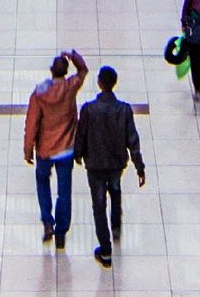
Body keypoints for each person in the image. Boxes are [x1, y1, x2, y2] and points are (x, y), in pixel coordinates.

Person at [77, 64, 145, 265]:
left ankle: (105, 250)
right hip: (116, 163)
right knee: (115, 190)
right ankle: (116, 225)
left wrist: (78, 154)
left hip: (95, 164)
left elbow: (81, 134)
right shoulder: (124, 110)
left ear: (99, 83)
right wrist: (139, 166)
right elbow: (133, 140)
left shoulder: (88, 109)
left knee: (98, 205)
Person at [22, 47, 89, 250]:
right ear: (65, 71)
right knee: (64, 192)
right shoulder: (70, 87)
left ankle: (47, 221)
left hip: (44, 150)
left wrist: (28, 149)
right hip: (66, 149)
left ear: (51, 70)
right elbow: (84, 70)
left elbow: (32, 122)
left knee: (42, 182)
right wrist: (74, 55)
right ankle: (61, 232)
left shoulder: (40, 94)